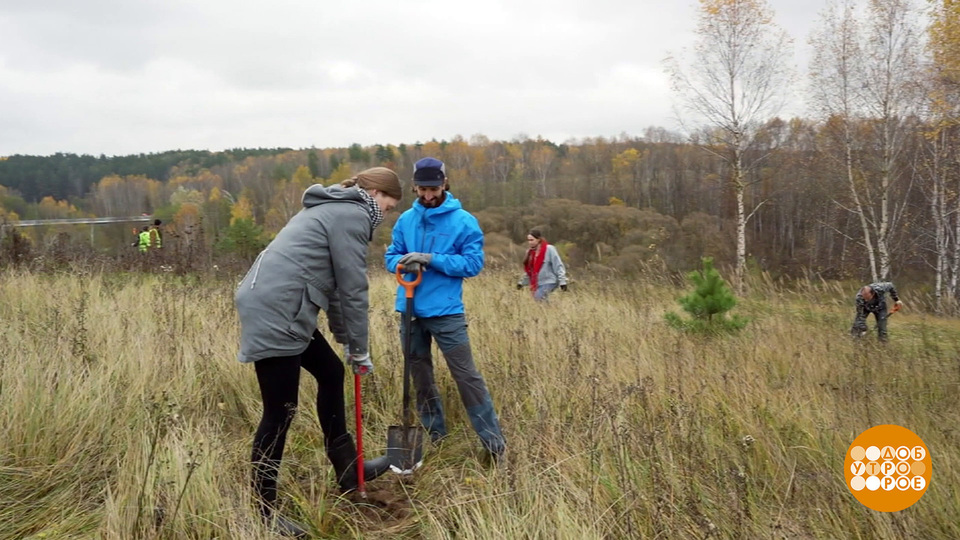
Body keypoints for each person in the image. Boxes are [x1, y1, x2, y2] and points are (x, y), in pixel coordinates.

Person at [235, 167, 402, 537]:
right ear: (373, 193)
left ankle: (348, 470)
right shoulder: (353, 214)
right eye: (388, 207)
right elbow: (353, 287)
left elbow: (339, 288)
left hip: (284, 302)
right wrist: (360, 349)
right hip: (279, 308)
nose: (385, 215)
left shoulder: (335, 208)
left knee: (330, 372)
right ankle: (262, 513)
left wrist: (348, 343)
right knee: (280, 412)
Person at [385, 157, 506, 461]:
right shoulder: (405, 221)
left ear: (445, 184)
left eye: (434, 188)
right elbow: (390, 257)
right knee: (420, 378)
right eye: (422, 189)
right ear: (414, 186)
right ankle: (437, 437)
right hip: (410, 310)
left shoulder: (463, 221)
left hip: (447, 312)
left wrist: (431, 259)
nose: (428, 195)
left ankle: (494, 445)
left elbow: (473, 264)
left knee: (466, 377)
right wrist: (402, 262)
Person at [516, 228, 568, 301]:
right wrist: (521, 283)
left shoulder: (549, 249)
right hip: (538, 283)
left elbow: (558, 265)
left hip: (550, 281)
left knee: (538, 296)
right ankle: (552, 311)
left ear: (538, 239)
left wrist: (563, 281)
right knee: (539, 301)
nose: (530, 242)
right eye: (528, 240)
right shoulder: (530, 253)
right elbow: (530, 271)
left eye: (532, 240)